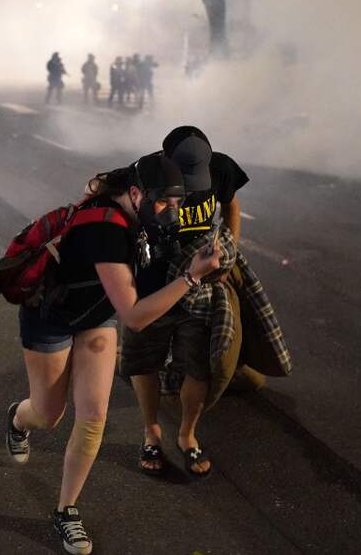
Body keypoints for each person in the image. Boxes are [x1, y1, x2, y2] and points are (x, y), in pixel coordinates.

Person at [5, 156, 221, 555]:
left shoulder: (134, 208)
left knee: (93, 419)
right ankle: (19, 419)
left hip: (96, 317)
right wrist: (193, 276)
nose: (170, 213)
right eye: (163, 203)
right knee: (47, 415)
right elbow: (136, 317)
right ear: (136, 194)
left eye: (177, 204)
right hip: (51, 316)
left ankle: (65, 511)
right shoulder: (106, 230)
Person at [120, 126, 249, 479]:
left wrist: (231, 251)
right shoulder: (144, 173)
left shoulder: (220, 168)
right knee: (144, 360)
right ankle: (151, 431)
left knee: (199, 366)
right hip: (152, 288)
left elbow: (232, 204)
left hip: (200, 288)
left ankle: (186, 434)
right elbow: (107, 197)